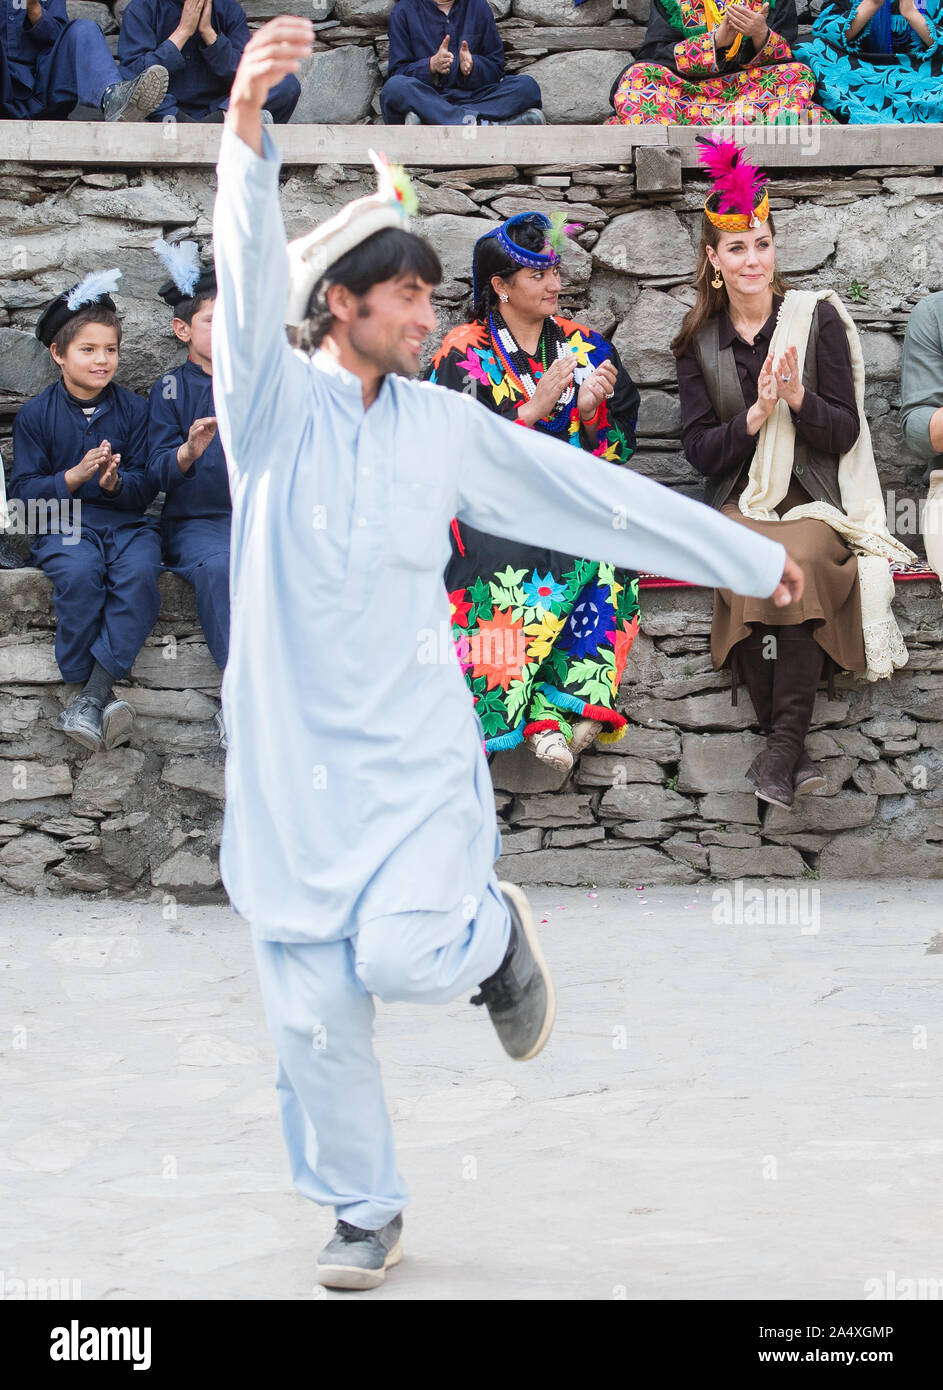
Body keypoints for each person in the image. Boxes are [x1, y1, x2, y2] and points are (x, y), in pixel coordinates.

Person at [213, 16, 802, 1292]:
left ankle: (489, 945)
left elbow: (582, 497)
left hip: (416, 757)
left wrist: (748, 554)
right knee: (313, 1016)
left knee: (402, 955)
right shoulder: (267, 420)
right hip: (286, 775)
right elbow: (246, 270)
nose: (431, 314)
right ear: (340, 307)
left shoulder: (438, 425)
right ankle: (364, 1209)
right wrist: (248, 135)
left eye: (435, 292)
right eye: (410, 294)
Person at [674, 137, 914, 811]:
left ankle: (779, 752)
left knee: (789, 559)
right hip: (738, 502)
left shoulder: (815, 321)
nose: (752, 259)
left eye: (761, 244)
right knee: (753, 556)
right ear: (713, 261)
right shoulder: (698, 344)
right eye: (736, 248)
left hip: (813, 503)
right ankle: (789, 754)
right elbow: (698, 452)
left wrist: (799, 399)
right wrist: (752, 417)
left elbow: (842, 433)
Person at [425, 212, 642, 770]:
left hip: (569, 504)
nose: (553, 284)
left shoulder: (586, 346)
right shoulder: (462, 353)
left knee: (611, 553)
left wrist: (591, 415)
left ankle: (555, 708)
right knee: (505, 563)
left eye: (554, 270)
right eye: (536, 275)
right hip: (488, 514)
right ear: (499, 286)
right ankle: (519, 714)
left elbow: (618, 452)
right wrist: (529, 411)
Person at [10, 272, 163, 752]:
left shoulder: (135, 410)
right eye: (88, 350)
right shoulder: (36, 415)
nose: (102, 360)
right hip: (63, 527)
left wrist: (117, 484)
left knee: (139, 576)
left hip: (125, 526)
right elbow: (23, 498)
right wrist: (73, 478)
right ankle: (95, 691)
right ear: (58, 354)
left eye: (110, 350)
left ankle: (88, 698)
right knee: (80, 574)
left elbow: (145, 486)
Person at [147, 241, 230, 749]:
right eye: (213, 321)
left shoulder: (263, 382)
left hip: (261, 519)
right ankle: (240, 700)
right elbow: (155, 472)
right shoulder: (169, 390)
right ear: (183, 330)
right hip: (197, 524)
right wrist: (188, 451)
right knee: (222, 569)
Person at [608, 0, 834, 126]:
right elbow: (654, 53)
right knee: (638, 77)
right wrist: (715, 42)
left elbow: (787, 54)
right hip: (687, 94)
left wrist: (760, 34)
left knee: (799, 74)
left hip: (753, 91)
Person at [118, 0, 299, 123]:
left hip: (220, 109)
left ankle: (218, 124)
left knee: (284, 83)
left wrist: (209, 34)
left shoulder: (228, 9)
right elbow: (135, 75)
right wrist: (183, 32)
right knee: (122, 77)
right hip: (166, 112)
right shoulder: (142, 8)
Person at [382, 0, 543, 126]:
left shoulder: (478, 7)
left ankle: (439, 121)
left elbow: (496, 67)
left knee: (527, 87)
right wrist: (431, 65)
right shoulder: (404, 10)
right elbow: (398, 72)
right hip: (429, 98)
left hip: (476, 99)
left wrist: (474, 66)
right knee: (394, 89)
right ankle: (483, 123)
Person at [0, 0, 168, 120]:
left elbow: (60, 41)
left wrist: (35, 9)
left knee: (84, 28)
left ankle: (113, 100)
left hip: (42, 90)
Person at [794, 0, 943, 123]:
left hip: (925, 80)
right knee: (806, 48)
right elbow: (823, 31)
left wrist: (911, 13)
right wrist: (871, 4)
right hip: (860, 78)